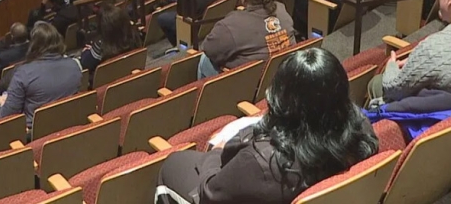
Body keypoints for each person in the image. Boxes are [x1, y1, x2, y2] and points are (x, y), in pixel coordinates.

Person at [156, 48, 379, 204]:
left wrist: (216, 152)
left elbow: (209, 194)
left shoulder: (266, 163)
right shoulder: (360, 127)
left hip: (230, 183)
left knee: (171, 165)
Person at [369, 0, 451, 103]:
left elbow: (393, 87)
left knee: (376, 83)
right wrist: (419, 63)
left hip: (423, 112)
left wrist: (391, 66)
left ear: (449, 0)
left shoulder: (434, 47)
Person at [198, 0, 295, 79]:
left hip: (248, 83)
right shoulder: (281, 9)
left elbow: (208, 48)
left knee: (204, 60)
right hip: (283, 75)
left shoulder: (231, 24)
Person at [0, 22, 81, 128]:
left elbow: (6, 117)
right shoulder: (74, 65)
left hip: (34, 136)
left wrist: (3, 102)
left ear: (33, 45)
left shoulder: (23, 73)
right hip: (70, 125)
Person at [80, 4, 142, 85]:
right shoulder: (134, 35)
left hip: (106, 85)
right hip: (131, 78)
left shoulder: (100, 45)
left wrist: (87, 51)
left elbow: (85, 63)